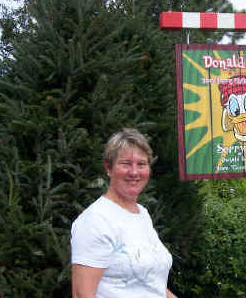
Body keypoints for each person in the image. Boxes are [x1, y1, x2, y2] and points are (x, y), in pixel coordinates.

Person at [70, 128, 178, 298]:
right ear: (108, 168)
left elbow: (150, 284)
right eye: (126, 164)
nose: (134, 172)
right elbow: (81, 294)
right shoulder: (95, 221)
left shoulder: (142, 214)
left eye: (141, 164)